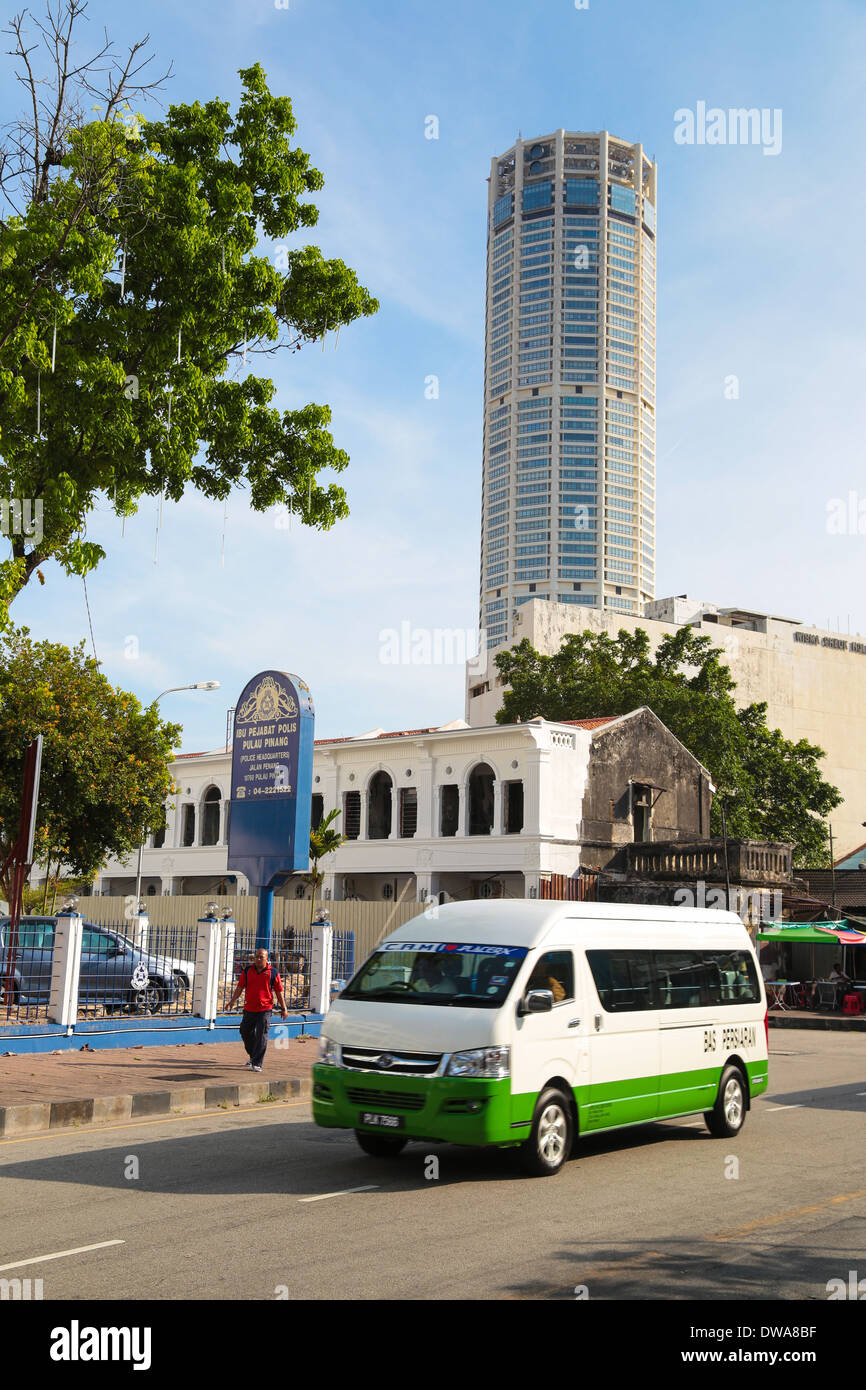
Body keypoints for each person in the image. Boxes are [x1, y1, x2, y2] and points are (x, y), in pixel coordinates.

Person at [226, 947, 288, 1072]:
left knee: (261, 1035)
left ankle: (257, 1063)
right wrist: (232, 1001)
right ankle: (253, 1055)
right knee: (245, 1031)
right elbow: (240, 987)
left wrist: (284, 1008)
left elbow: (279, 992)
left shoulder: (273, 973)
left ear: (267, 959)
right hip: (249, 1008)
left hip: (265, 1009)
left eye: (261, 957)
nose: (258, 959)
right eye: (257, 957)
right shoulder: (248, 971)